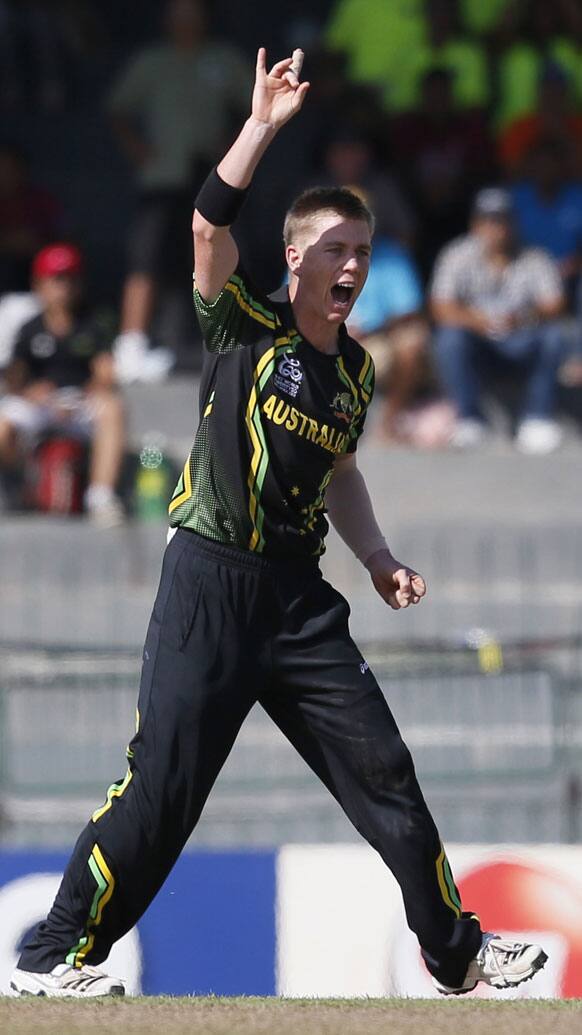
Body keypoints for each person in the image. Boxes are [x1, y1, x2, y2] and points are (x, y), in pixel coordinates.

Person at [11, 48, 547, 999]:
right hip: (209, 577)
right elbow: (206, 222)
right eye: (336, 249)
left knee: (388, 772)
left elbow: (340, 470)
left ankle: (455, 952)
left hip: (299, 599)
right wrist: (259, 126)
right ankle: (52, 957)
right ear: (296, 257)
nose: (352, 267)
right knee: (162, 794)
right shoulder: (240, 323)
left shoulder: (355, 373)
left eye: (363, 253)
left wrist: (378, 558)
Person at [107, 0, 251, 380]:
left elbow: (256, 106)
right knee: (147, 257)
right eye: (178, 13)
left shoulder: (223, 60)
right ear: (167, 18)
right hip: (161, 176)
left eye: (193, 13)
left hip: (210, 178)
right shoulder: (152, 62)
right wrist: (138, 149)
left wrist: (232, 146)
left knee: (212, 255)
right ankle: (131, 343)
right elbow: (117, 108)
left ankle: (219, 340)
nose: (186, 20)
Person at [431, 187, 566, 453]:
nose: (497, 228)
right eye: (489, 221)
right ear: (476, 224)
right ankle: (469, 419)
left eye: (503, 220)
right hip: (480, 343)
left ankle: (536, 418)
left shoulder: (534, 256)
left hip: (521, 340)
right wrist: (476, 320)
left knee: (555, 335)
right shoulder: (456, 254)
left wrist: (523, 317)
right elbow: (440, 307)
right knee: (449, 337)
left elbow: (555, 304)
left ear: (514, 222)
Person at [0, 242, 125, 525]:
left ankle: (101, 496)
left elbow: (106, 375)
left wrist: (82, 395)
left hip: (79, 402)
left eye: (70, 279)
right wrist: (31, 391)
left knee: (113, 408)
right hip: (41, 404)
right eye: (56, 279)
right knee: (3, 422)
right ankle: (19, 483)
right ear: (39, 285)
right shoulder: (29, 327)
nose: (63, 287)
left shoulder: (94, 322)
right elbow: (15, 379)